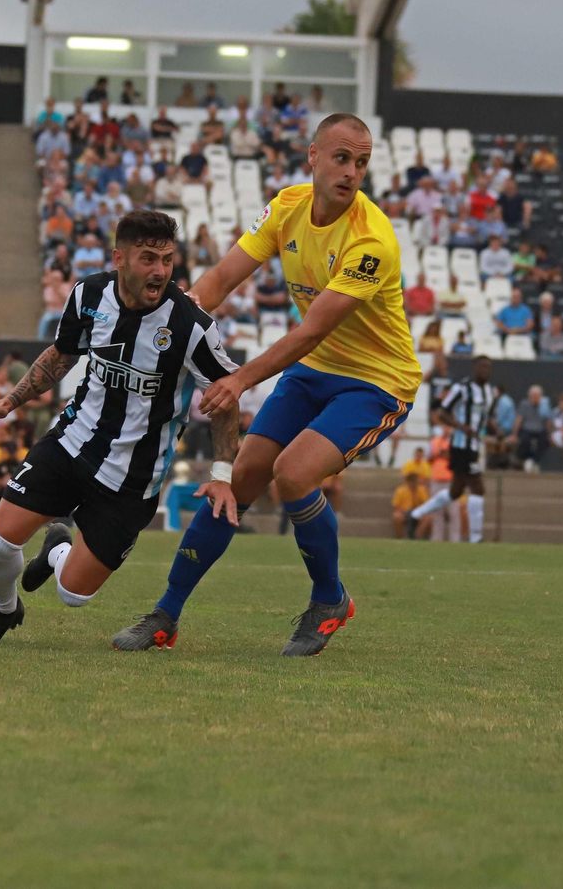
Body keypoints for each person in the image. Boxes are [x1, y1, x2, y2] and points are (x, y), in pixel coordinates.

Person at [117, 114, 420, 657]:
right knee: (236, 476)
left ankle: (329, 598)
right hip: (316, 371)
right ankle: (166, 614)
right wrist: (161, 329)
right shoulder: (286, 207)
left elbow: (311, 330)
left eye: (362, 162)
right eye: (341, 158)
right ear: (313, 155)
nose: (352, 172)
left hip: (376, 381)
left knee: (295, 474)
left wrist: (237, 380)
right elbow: (219, 280)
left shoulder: (372, 242)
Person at [0, 210, 239, 645]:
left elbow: (225, 397)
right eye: (147, 258)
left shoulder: (192, 327)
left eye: (167, 259)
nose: (160, 270)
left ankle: (57, 549)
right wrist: (9, 401)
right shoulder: (88, 294)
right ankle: (3, 611)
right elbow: (62, 355)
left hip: (134, 476)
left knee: (73, 594)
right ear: (119, 258)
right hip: (72, 442)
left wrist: (222, 475)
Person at [408, 356, 497, 543]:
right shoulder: (462, 388)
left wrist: (497, 430)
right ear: (474, 368)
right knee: (478, 488)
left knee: (455, 492)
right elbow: (443, 413)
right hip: (460, 444)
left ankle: (416, 514)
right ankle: (475, 538)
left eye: (488, 367)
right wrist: (462, 427)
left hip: (474, 445)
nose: (485, 370)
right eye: (481, 366)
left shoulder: (490, 391)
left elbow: (485, 417)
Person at [391, 468, 431, 539]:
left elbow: (427, 504)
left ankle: (417, 536)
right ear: (408, 482)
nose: (414, 483)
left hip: (418, 512)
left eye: (415, 481)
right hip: (404, 512)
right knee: (396, 516)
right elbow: (396, 506)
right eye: (412, 481)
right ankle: (400, 537)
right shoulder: (400, 490)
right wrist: (403, 512)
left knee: (428, 518)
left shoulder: (421, 490)